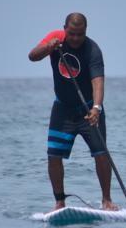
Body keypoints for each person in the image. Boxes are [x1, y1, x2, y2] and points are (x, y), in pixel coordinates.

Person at [28, 12, 116, 211]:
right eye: (72, 34)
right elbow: (32, 56)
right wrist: (48, 47)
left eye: (80, 34)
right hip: (63, 110)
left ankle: (107, 200)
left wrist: (97, 108)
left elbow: (98, 81)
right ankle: (59, 202)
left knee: (101, 153)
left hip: (88, 109)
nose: (76, 38)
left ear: (85, 32)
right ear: (65, 29)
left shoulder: (92, 50)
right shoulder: (55, 37)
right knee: (54, 155)